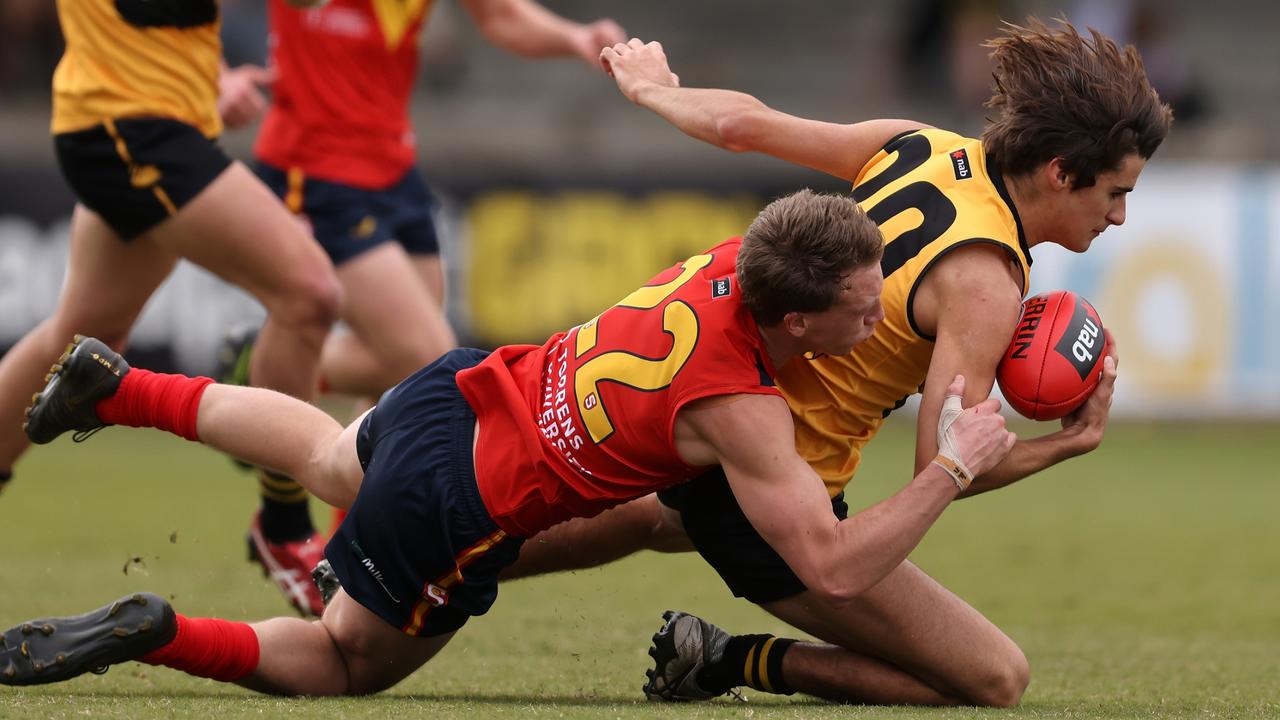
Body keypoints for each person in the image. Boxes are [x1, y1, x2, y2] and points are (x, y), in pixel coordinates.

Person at [0, 190, 1015, 694]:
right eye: (858, 303)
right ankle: (157, 631)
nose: (876, 310)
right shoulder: (740, 412)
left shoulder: (737, 262)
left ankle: (124, 389)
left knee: (320, 452)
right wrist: (952, 464)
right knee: (345, 661)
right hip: (459, 504)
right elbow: (833, 570)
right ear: (794, 324)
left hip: (461, 392)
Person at [502, 19, 1171, 706]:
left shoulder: (922, 146)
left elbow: (740, 125)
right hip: (785, 488)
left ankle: (447, 548)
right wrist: (1068, 442)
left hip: (715, 428)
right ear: (1061, 172)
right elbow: (947, 465)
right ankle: (731, 660)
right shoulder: (984, 282)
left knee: (646, 518)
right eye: (1115, 193)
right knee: (993, 678)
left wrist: (653, 91)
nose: (1117, 216)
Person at [214, 0, 627, 618]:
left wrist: (575, 38)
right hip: (314, 169)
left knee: (396, 377)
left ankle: (330, 527)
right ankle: (288, 519)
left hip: (392, 171)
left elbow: (498, 15)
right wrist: (213, 76)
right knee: (429, 361)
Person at [0, 0, 343, 562]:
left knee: (84, 332)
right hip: (131, 128)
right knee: (309, 293)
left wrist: (214, 78)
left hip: (141, 124)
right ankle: (283, 527)